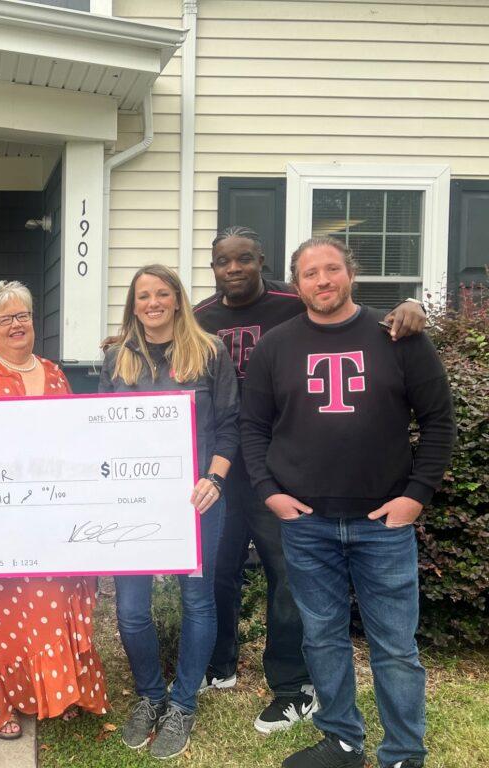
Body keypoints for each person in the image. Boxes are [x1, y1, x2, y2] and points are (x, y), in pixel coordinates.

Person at [194, 226, 428, 733]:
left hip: (279, 463)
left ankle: (292, 685)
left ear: (265, 264)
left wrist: (411, 304)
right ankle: (220, 664)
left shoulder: (291, 302)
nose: (233, 269)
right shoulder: (201, 317)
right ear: (213, 267)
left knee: (285, 578)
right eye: (222, 261)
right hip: (221, 460)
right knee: (219, 569)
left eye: (244, 259)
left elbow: (358, 320)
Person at [240, 236, 455, 768]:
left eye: (331, 269)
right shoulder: (276, 345)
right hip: (307, 524)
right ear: (296, 284)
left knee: (396, 647)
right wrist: (270, 492)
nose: (323, 281)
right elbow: (251, 427)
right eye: (310, 273)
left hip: (383, 522)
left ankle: (404, 751)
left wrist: (415, 497)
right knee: (322, 638)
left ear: (350, 273)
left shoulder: (397, 337)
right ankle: (342, 740)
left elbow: (438, 421)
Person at [0, 280, 109, 740]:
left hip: (51, 520)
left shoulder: (56, 373)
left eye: (24, 316)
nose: (16, 325)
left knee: (52, 602)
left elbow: (74, 439)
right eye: (5, 318)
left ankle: (56, 693)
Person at [99, 264, 239, 760]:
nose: (153, 303)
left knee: (197, 601)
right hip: (133, 501)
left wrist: (215, 478)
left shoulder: (209, 353)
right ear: (133, 305)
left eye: (162, 294)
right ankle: (150, 695)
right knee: (131, 609)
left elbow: (229, 426)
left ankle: (182, 703)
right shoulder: (116, 359)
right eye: (143, 296)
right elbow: (99, 428)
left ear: (178, 299)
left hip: (196, 498)